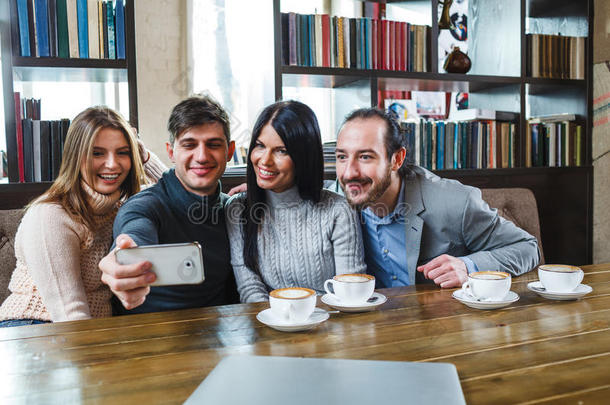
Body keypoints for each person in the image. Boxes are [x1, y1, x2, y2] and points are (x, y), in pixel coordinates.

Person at [331, 108, 540, 289]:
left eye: (365, 157)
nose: (349, 173)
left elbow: (528, 249)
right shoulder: (334, 200)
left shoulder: (455, 201)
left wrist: (468, 267)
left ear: (397, 159)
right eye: (342, 157)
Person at [0, 106, 166, 326]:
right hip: (35, 327)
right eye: (97, 153)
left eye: (122, 152)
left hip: (90, 330)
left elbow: (173, 191)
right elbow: (70, 313)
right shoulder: (50, 215)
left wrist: (143, 157)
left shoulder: (120, 205)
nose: (112, 164)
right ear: (76, 157)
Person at [98, 94, 239, 313]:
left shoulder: (233, 209)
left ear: (229, 151)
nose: (202, 156)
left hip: (222, 334)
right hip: (154, 337)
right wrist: (125, 259)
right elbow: (134, 233)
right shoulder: (145, 206)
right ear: (171, 152)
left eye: (213, 144)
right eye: (189, 144)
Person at [225, 100, 366, 303]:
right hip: (270, 323)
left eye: (281, 151)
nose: (265, 160)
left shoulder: (339, 210)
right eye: (260, 146)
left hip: (330, 323)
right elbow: (250, 289)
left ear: (303, 156)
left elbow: (350, 291)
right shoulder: (238, 209)